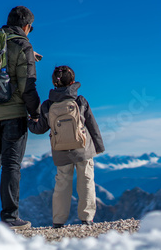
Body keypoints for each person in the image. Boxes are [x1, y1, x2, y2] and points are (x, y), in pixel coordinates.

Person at [0, 6, 41, 231]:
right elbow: (28, 86)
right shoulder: (23, 45)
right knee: (11, 164)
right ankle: (10, 218)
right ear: (26, 26)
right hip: (13, 114)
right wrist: (35, 112)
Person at [28, 66, 105, 228]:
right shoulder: (80, 101)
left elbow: (40, 129)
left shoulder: (48, 105)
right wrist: (98, 146)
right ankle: (87, 218)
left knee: (62, 184)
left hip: (60, 150)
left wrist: (29, 122)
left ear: (53, 83)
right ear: (72, 81)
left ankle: (58, 221)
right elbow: (92, 125)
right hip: (83, 149)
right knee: (86, 181)